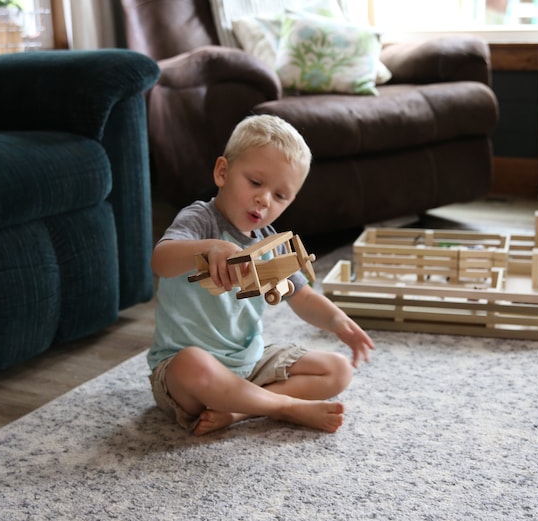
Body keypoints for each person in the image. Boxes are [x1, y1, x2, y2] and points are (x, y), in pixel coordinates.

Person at [148, 114, 375, 436]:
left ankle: (238, 410)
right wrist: (210, 248)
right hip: (183, 373)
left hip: (249, 364)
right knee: (192, 365)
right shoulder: (200, 219)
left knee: (338, 371)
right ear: (222, 172)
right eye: (255, 183)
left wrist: (338, 322)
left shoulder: (270, 240)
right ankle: (284, 406)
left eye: (280, 196)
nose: (264, 199)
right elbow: (161, 261)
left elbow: (302, 296)